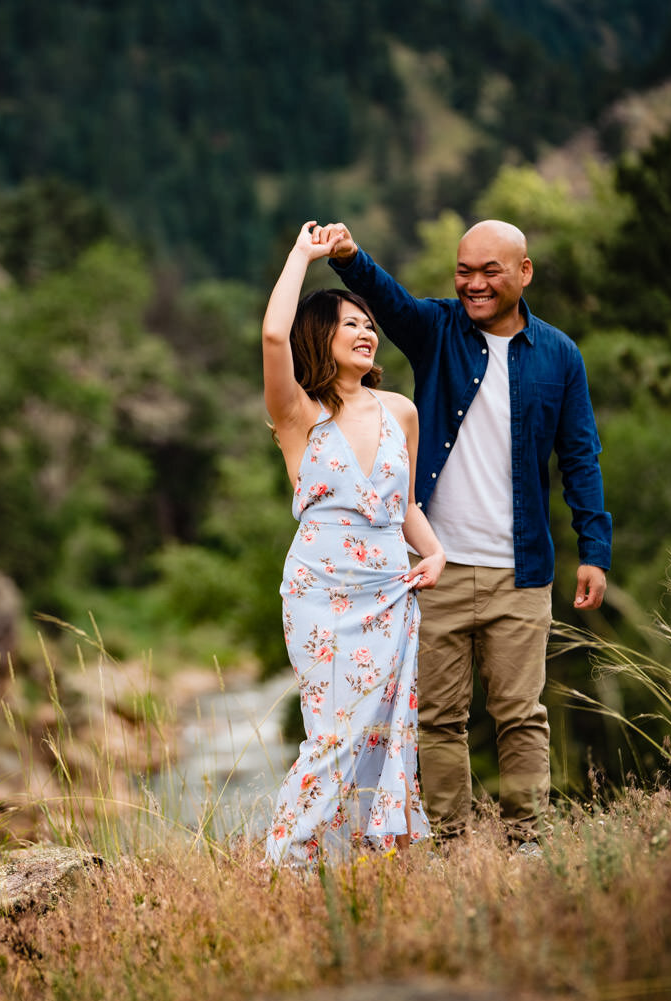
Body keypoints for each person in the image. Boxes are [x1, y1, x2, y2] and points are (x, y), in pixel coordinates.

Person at [314, 218, 611, 848]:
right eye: (463, 271)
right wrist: (347, 256)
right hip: (433, 568)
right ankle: (451, 844)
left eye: (489, 271)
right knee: (438, 719)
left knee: (521, 716)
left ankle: (527, 842)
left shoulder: (559, 356)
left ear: (523, 273)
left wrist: (595, 550)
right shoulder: (437, 331)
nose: (473, 284)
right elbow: (387, 297)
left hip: (520, 571)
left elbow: (580, 456)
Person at [262, 222, 447, 867]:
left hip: (390, 591)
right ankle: (287, 863)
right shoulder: (298, 414)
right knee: (333, 735)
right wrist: (304, 255)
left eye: (371, 324)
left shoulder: (400, 410)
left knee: (382, 735)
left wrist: (436, 553)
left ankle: (360, 866)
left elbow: (405, 508)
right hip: (321, 592)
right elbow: (271, 334)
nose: (368, 333)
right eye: (351, 325)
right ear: (323, 338)